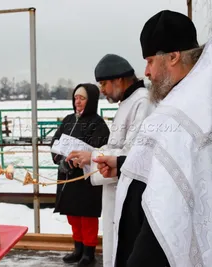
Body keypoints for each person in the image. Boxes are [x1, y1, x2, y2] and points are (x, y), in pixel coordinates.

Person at [94, 9, 212, 267]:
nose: (147, 72)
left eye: (151, 61)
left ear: (174, 57)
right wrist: (122, 165)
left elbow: (167, 209)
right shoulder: (199, 103)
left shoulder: (182, 114)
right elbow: (176, 171)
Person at [65, 54, 154, 267]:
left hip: (129, 194)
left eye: (104, 83)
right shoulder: (127, 102)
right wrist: (90, 155)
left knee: (125, 249)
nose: (102, 90)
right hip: (115, 191)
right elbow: (116, 146)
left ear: (120, 80)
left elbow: (133, 155)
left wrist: (93, 157)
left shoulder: (142, 102)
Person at [50, 83, 110, 266]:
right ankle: (77, 248)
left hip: (84, 179)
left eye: (82, 98)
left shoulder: (98, 124)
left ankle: (88, 252)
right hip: (67, 177)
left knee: (87, 217)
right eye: (76, 98)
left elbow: (100, 149)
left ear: (90, 101)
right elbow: (55, 142)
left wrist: (82, 159)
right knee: (72, 215)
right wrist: (60, 160)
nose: (78, 101)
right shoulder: (68, 120)